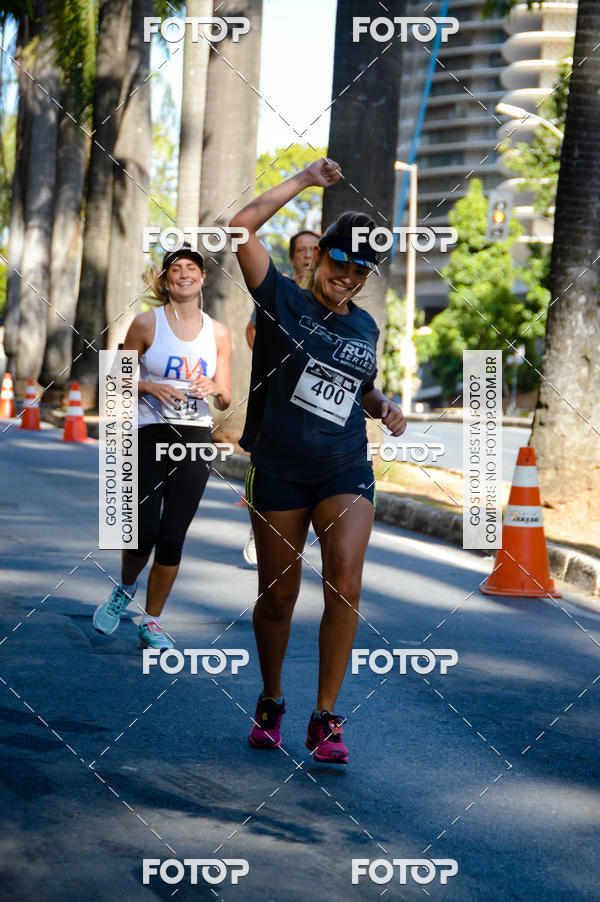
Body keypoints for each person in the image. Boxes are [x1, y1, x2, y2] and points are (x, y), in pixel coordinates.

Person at [230, 158, 406, 764]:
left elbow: (358, 385)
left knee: (346, 585)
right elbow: (239, 228)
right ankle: (272, 698)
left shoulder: (366, 327)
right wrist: (304, 180)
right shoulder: (280, 297)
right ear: (319, 257)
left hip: (343, 466)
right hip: (278, 466)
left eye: (362, 271)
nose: (350, 278)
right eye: (341, 264)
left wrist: (384, 404)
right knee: (278, 597)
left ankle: (326, 717)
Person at [93, 243, 232, 649]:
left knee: (173, 536)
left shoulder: (218, 333)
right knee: (144, 530)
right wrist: (148, 385)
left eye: (192, 268)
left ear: (202, 278)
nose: (184, 274)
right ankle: (125, 589)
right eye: (176, 269)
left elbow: (226, 396)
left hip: (195, 437)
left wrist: (216, 388)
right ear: (166, 280)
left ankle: (151, 623)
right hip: (150, 432)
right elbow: (114, 377)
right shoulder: (145, 324)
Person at [242, 229, 321, 566]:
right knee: (268, 463)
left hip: (316, 403)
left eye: (313, 249)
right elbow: (252, 330)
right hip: (279, 394)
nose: (307, 255)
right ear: (291, 258)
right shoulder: (281, 290)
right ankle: (259, 529)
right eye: (300, 250)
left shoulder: (333, 293)